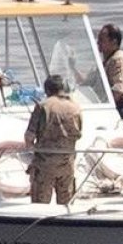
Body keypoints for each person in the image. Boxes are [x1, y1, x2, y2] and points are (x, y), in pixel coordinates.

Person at [23, 74, 83, 204]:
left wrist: (31, 149)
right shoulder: (76, 107)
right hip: (67, 163)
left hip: (45, 164)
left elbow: (29, 136)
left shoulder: (43, 106)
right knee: (66, 206)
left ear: (47, 90)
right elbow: (78, 133)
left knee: (40, 206)